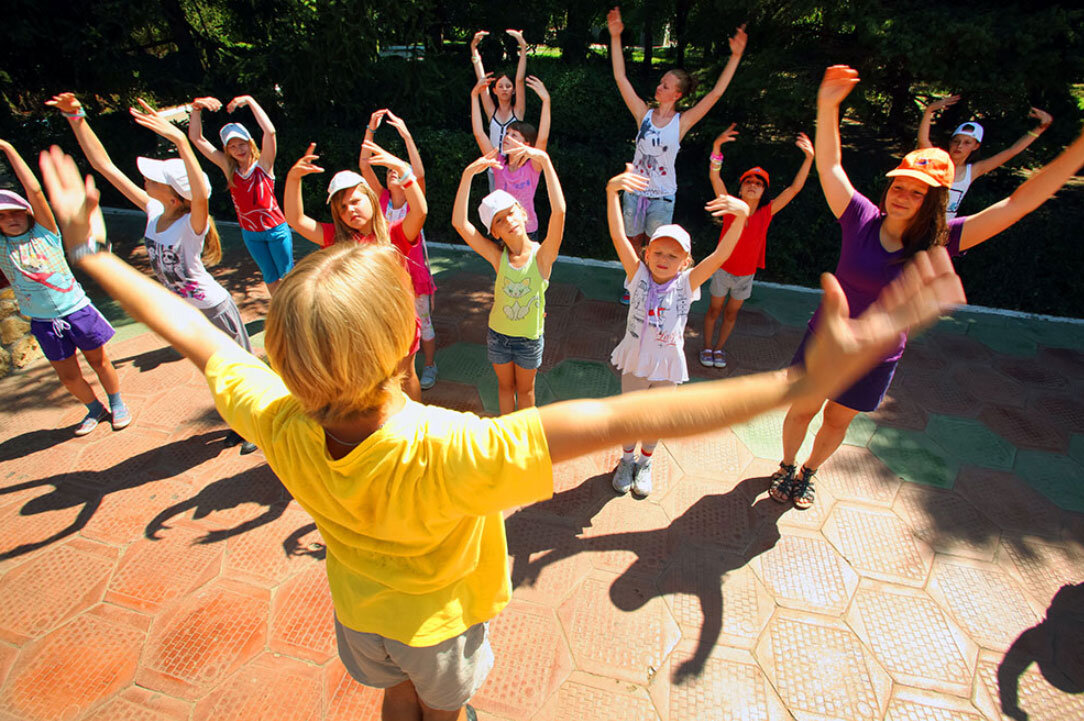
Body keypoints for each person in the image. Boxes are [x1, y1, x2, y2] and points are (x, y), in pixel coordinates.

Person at [39, 142, 964, 721]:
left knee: (390, 691)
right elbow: (625, 414)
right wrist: (803, 381)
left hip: (357, 616)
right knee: (442, 702)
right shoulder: (455, 449)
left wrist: (90, 256)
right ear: (408, 338)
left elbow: (201, 338)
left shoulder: (275, 416)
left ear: (287, 354)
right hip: (440, 627)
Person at [771, 65, 1084, 511]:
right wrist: (827, 106)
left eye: (916, 193)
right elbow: (831, 165)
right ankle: (785, 466)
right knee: (802, 409)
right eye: (898, 186)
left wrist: (1076, 154)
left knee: (837, 420)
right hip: (824, 340)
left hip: (875, 356)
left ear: (934, 201)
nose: (901, 195)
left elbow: (1018, 203)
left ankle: (808, 473)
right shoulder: (859, 217)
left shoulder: (944, 239)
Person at [47, 92, 257, 453]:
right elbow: (105, 167)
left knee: (243, 372)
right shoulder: (153, 211)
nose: (147, 181)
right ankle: (239, 422)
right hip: (183, 314)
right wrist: (76, 117)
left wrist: (178, 139)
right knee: (216, 374)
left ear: (176, 197)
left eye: (156, 180)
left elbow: (202, 197)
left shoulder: (193, 223)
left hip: (213, 308)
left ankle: (254, 426)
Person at [605, 164, 749, 497]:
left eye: (673, 255)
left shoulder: (687, 283)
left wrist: (740, 217)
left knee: (655, 419)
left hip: (667, 363)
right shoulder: (638, 274)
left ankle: (644, 462)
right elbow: (617, 235)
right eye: (657, 252)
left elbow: (721, 254)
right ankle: (626, 460)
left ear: (685, 261)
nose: (664, 259)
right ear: (646, 253)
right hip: (636, 357)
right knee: (630, 414)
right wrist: (612, 192)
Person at [606, 6, 747, 303]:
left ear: (677, 95)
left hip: (662, 195)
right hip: (634, 191)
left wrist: (734, 57)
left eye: (666, 86)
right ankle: (634, 284)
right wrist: (615, 37)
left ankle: (653, 289)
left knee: (657, 245)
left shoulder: (681, 123)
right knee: (632, 242)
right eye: (660, 83)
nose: (659, 87)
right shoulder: (643, 114)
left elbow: (715, 95)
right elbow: (620, 78)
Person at [0, 139, 128, 436]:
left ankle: (117, 402)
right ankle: (94, 409)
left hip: (77, 310)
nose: (11, 219)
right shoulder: (2, 246)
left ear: (28, 213)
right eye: (3, 216)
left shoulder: (46, 232)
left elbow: (34, 191)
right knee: (69, 377)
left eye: (16, 212)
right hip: (44, 321)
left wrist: (8, 149)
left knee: (99, 361)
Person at [283, 140, 428, 400]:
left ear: (372, 199)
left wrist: (402, 171)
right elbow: (296, 219)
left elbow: (419, 211)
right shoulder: (336, 239)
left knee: (404, 376)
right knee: (374, 385)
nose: (350, 209)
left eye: (355, 201)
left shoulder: (394, 235)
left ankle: (417, 429)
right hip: (362, 326)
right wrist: (294, 179)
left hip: (399, 324)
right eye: (342, 207)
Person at [451, 146, 565, 415]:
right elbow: (459, 222)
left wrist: (546, 162)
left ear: (523, 213)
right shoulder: (496, 256)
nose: (508, 221)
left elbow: (559, 213)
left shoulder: (542, 256)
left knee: (525, 392)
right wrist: (468, 174)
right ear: (495, 233)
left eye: (511, 213)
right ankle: (506, 441)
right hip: (498, 336)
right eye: (499, 220)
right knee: (504, 389)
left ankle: (523, 444)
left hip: (529, 339)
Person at [701, 126, 815, 368]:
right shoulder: (731, 206)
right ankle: (707, 347)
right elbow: (715, 177)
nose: (753, 185)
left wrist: (809, 159)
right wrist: (717, 148)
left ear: (764, 191)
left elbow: (794, 189)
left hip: (746, 274)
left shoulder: (767, 212)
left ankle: (719, 350)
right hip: (722, 269)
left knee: (731, 314)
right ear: (740, 188)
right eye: (748, 182)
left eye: (759, 183)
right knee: (714, 310)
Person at [360, 109, 439, 390]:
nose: (394, 173)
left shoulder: (413, 203)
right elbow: (365, 165)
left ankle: (429, 365)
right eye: (391, 170)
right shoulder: (379, 198)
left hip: (414, 278)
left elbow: (418, 173)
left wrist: (405, 134)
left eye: (398, 171)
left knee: (424, 324)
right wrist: (371, 128)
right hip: (385, 277)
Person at [188, 93, 293, 295]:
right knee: (270, 277)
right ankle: (280, 313)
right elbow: (196, 138)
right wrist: (196, 109)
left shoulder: (263, 165)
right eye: (232, 146)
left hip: (276, 231)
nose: (238, 149)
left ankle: (296, 314)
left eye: (241, 144)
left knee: (288, 277)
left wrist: (250, 101)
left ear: (250, 143)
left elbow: (270, 132)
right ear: (227, 150)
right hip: (251, 234)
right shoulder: (229, 168)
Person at [918, 94, 1053, 219]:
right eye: (956, 141)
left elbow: (1012, 151)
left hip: (943, 232)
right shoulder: (937, 161)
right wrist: (929, 110)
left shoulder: (973, 170)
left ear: (975, 146)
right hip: (918, 226)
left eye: (967, 143)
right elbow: (924, 142)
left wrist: (1040, 128)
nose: (959, 146)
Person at [470, 73, 551, 241]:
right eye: (507, 133)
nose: (507, 137)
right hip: (503, 232)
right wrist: (474, 96)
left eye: (514, 135)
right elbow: (479, 133)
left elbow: (542, 138)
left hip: (528, 232)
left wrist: (546, 101)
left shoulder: (533, 166)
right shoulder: (498, 163)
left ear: (527, 144)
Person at [469, 28, 528, 190]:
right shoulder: (491, 111)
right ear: (494, 90)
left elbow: (520, 79)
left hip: (515, 167)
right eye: (500, 86)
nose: (504, 89)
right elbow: (481, 81)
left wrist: (523, 47)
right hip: (494, 168)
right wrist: (473, 48)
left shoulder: (518, 112)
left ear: (513, 90)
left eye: (508, 86)